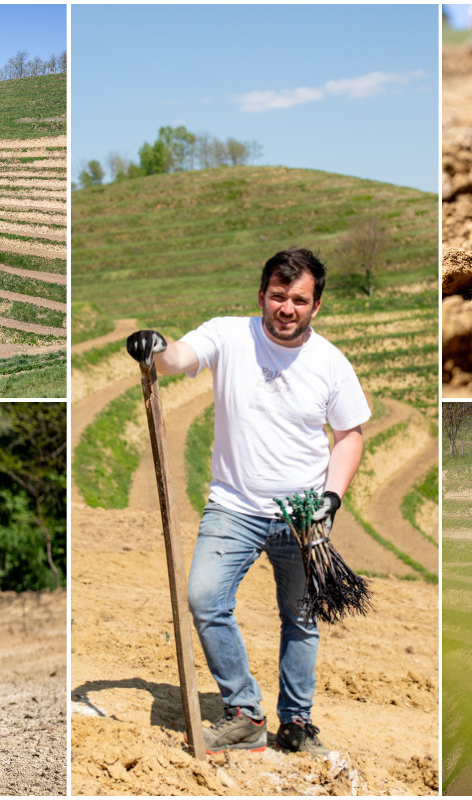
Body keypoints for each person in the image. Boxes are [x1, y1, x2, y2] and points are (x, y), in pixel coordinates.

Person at [125, 248, 370, 756]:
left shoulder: (330, 363)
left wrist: (332, 498)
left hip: (303, 514)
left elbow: (349, 435)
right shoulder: (229, 334)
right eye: (277, 296)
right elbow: (178, 360)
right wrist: (156, 345)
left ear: (316, 306)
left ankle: (298, 723)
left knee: (301, 617)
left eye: (298, 300)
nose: (286, 307)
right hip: (233, 505)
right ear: (261, 295)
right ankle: (244, 714)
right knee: (205, 599)